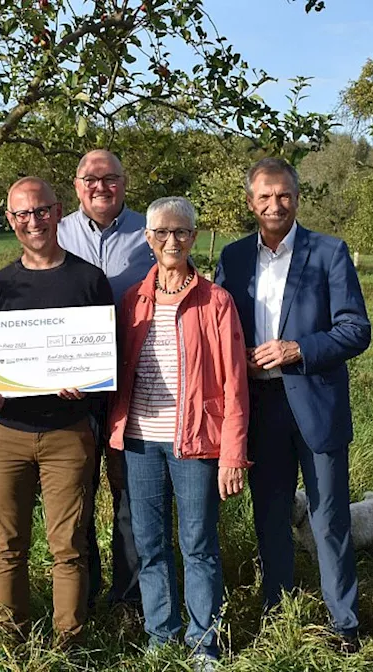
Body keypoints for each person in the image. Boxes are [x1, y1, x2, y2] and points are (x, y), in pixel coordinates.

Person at [215, 157, 371, 653]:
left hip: (315, 403)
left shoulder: (329, 252)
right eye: (264, 196)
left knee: (329, 517)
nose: (274, 205)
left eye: (283, 195)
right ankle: (278, 613)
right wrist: (232, 354)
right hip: (259, 406)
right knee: (271, 515)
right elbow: (220, 325)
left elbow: (356, 329)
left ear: (297, 197)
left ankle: (344, 622)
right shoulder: (234, 258)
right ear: (250, 202)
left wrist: (297, 349)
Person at [0, 176, 114, 641]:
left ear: (58, 211)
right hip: (5, 431)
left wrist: (87, 388)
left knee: (67, 547)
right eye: (22, 214)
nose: (34, 221)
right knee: (7, 546)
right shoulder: (0, 285)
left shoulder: (89, 279)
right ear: (10, 221)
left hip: (68, 433)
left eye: (42, 211)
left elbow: (106, 355)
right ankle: (14, 638)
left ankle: (69, 642)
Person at [106, 196, 249, 667]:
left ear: (193, 236)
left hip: (197, 443)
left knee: (198, 545)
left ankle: (203, 641)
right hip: (141, 442)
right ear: (148, 239)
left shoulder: (216, 301)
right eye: (162, 233)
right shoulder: (132, 302)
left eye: (181, 232)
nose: (172, 240)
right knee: (149, 545)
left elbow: (234, 384)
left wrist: (232, 453)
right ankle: (162, 634)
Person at [56, 149, 152, 613]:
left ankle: (130, 598)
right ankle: (85, 592)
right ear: (76, 186)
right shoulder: (54, 233)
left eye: (110, 178)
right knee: (78, 489)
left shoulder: (149, 232)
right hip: (70, 387)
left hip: (135, 383)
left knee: (129, 492)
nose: (100, 186)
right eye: (90, 179)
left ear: (124, 182)